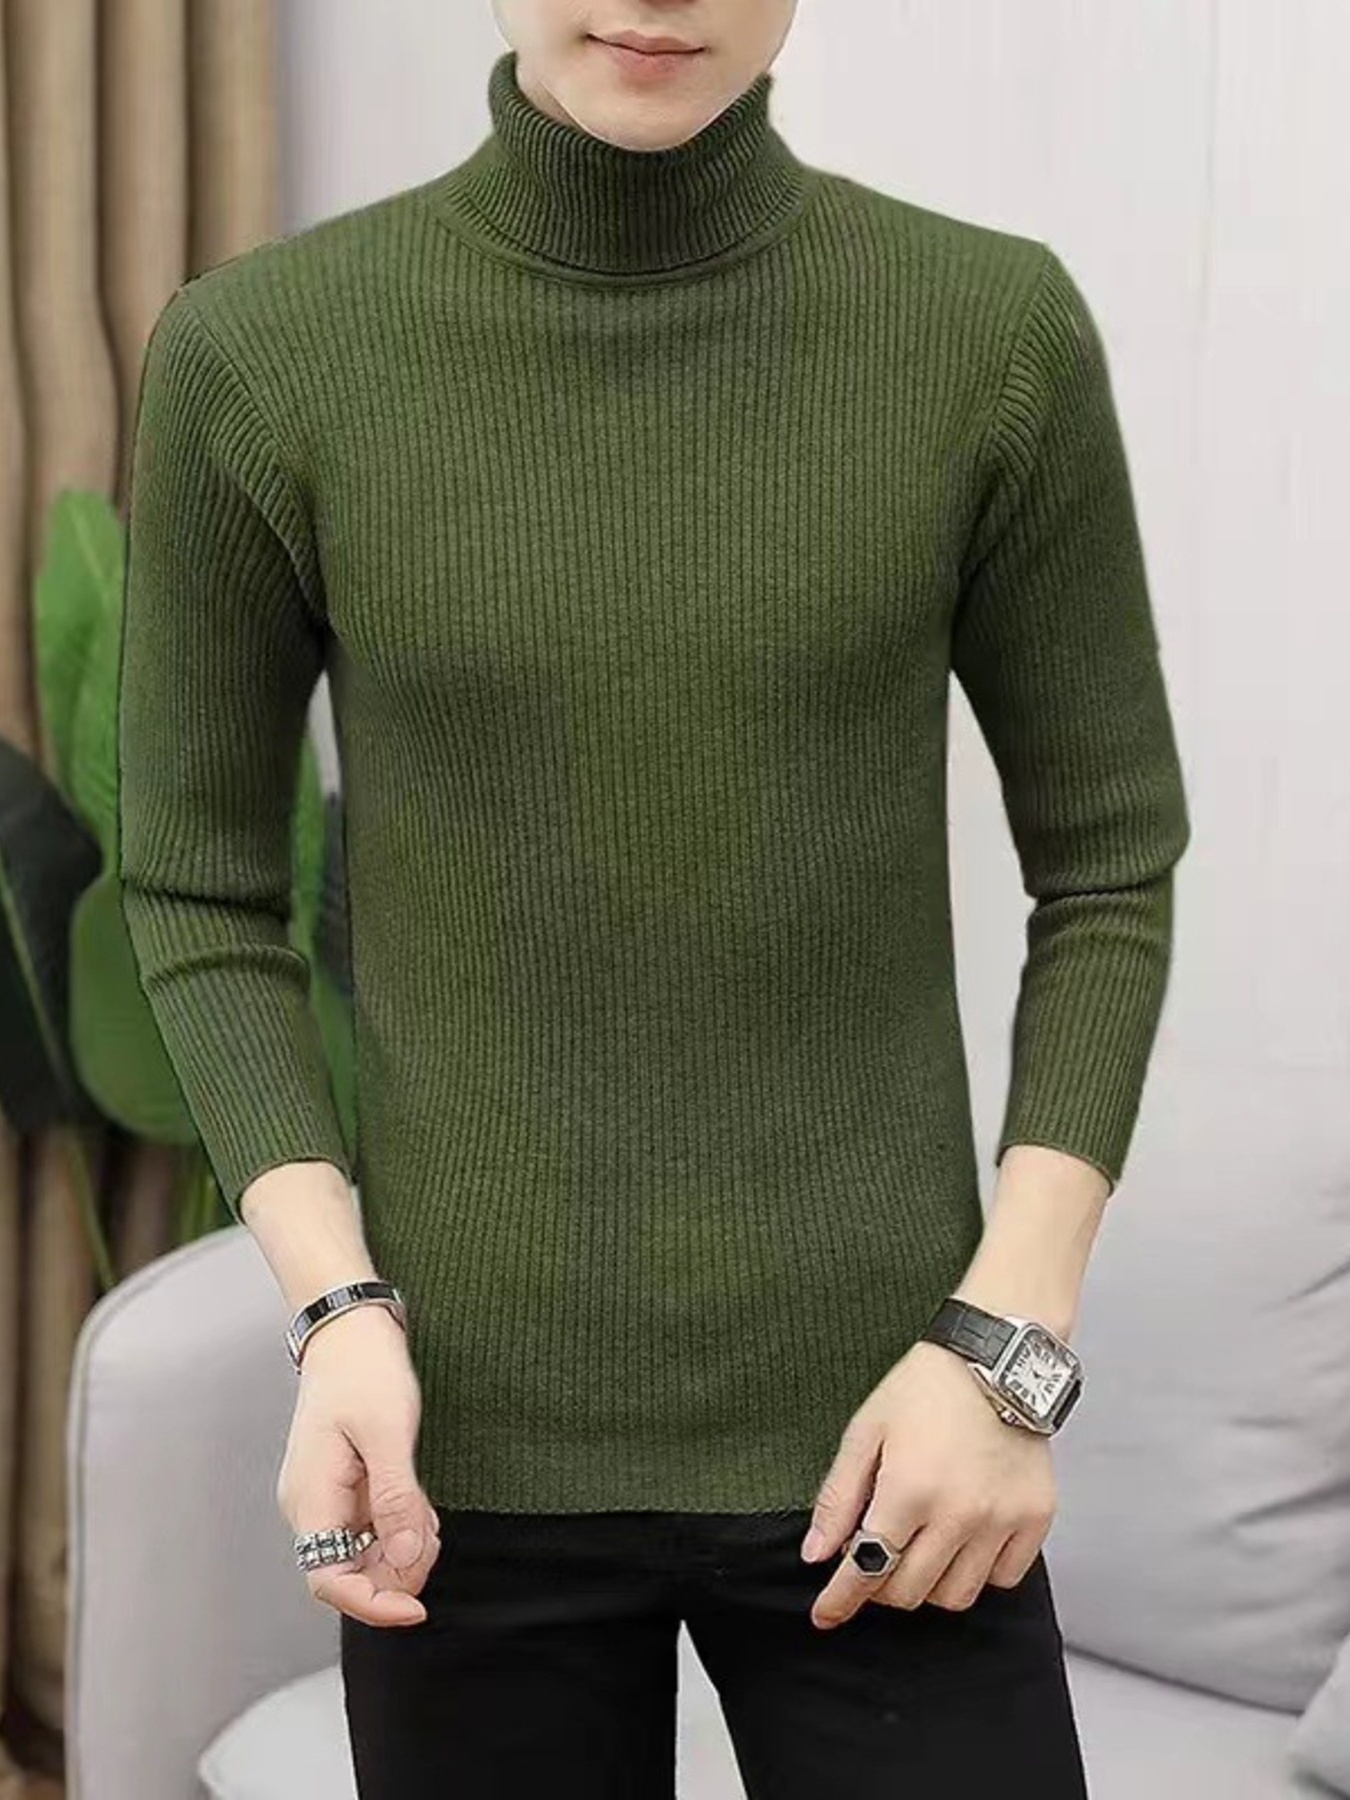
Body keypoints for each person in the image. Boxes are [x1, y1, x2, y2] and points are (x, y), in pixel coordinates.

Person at [116, 0, 1190, 1793]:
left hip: (896, 1440)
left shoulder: (984, 331)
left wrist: (1002, 1356)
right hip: (460, 1459)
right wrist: (335, 1315)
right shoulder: (262, 352)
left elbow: (1107, 864)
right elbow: (200, 890)